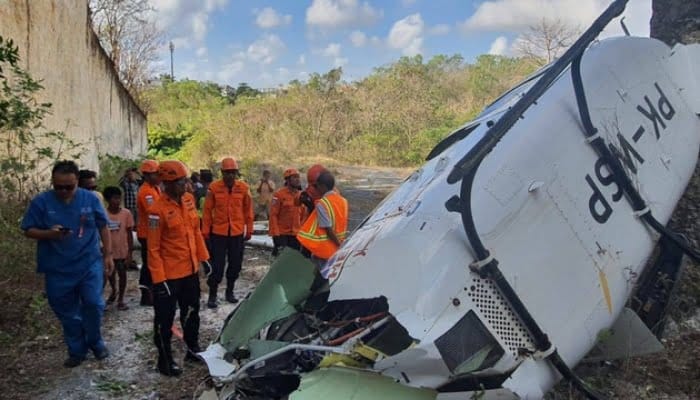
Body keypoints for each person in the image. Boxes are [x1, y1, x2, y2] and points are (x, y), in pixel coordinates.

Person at [21, 160, 114, 368]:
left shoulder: (90, 199)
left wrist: (108, 255)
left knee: (93, 304)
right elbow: (28, 229)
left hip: (89, 264)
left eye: (68, 187)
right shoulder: (41, 202)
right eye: (58, 187)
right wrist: (49, 234)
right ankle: (76, 349)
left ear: (77, 182)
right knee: (67, 311)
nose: (63, 191)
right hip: (57, 268)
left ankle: (96, 342)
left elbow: (103, 227)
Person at [147, 160, 209, 376]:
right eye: (181, 181)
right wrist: (158, 279)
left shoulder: (189, 201)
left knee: (192, 313)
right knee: (164, 319)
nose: (186, 185)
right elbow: (152, 248)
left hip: (190, 270)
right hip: (169, 275)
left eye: (185, 180)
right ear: (168, 183)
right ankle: (164, 361)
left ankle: (192, 350)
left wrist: (204, 258)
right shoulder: (156, 211)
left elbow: (196, 232)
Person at [202, 157, 253, 308]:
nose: (230, 175)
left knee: (235, 264)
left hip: (236, 233)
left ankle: (229, 292)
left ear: (236, 173)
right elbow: (207, 211)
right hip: (218, 233)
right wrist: (205, 231)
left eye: (233, 172)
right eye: (227, 172)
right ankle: (212, 294)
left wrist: (248, 229)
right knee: (217, 267)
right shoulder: (214, 188)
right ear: (222, 173)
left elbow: (248, 210)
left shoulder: (243, 188)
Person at [297, 171, 348, 269]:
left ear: (323, 186)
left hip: (325, 248)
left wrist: (340, 246)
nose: (317, 189)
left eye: (318, 186)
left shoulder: (322, 204)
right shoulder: (343, 201)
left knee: (321, 275)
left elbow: (328, 229)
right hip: (337, 244)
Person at [102, 186, 134, 310]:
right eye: (114, 198)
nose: (117, 201)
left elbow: (130, 232)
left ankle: (121, 299)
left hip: (122, 250)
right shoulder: (104, 214)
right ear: (108, 200)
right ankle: (114, 290)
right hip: (109, 251)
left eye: (119, 198)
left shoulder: (126, 213)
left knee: (122, 274)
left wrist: (130, 252)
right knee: (110, 273)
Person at [136, 159, 161, 306]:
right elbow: (154, 212)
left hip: (153, 233)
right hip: (147, 235)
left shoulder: (155, 189)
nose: (158, 177)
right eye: (155, 174)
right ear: (147, 175)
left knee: (152, 263)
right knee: (149, 265)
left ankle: (151, 293)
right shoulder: (146, 192)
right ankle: (146, 295)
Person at [269, 168, 304, 256]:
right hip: (282, 234)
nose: (297, 179)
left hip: (296, 234)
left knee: (294, 259)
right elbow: (273, 215)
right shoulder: (279, 195)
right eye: (294, 177)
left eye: (298, 177)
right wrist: (275, 233)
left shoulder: (301, 196)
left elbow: (303, 216)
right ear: (288, 180)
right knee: (281, 259)